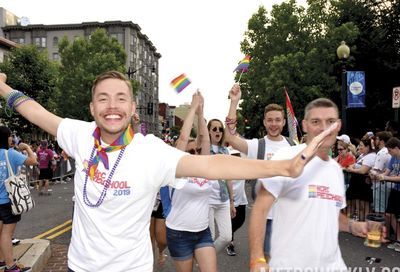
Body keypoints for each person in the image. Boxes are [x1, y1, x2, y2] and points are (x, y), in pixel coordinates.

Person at [0, 71, 337, 272]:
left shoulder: (150, 152)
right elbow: (35, 111)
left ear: (133, 108)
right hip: (81, 267)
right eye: (103, 99)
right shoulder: (78, 134)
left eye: (121, 98)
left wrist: (282, 166)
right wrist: (2, 87)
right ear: (92, 108)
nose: (112, 106)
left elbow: (214, 164)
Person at [248, 98, 373, 272]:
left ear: (338, 125)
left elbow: (331, 213)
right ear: (305, 125)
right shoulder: (286, 157)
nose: (324, 128)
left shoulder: (335, 170)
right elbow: (260, 209)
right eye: (316, 122)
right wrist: (257, 259)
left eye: (330, 122)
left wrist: (353, 226)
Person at [224, 83, 295, 261]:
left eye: (277, 120)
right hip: (266, 217)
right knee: (268, 259)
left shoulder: (294, 146)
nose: (274, 124)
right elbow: (231, 138)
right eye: (270, 120)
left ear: (284, 122)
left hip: (291, 216)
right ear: (264, 122)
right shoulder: (258, 145)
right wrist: (234, 103)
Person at [165, 91, 217, 271]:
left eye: (197, 150)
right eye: (190, 152)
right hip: (179, 232)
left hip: (203, 231)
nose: (195, 154)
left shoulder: (204, 167)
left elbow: (206, 139)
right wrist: (192, 107)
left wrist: (201, 113)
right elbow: (183, 139)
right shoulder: (178, 170)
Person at [0, 126, 37, 272]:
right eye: (10, 136)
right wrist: (27, 147)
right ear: (5, 138)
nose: (12, 139)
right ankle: (11, 267)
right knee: (7, 234)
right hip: (9, 201)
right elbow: (33, 161)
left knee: (1, 232)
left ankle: (2, 260)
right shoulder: (11, 154)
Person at [207, 118, 236, 254]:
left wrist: (232, 201)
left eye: (220, 129)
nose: (218, 131)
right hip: (207, 199)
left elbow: (229, 177)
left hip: (223, 198)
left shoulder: (225, 151)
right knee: (210, 237)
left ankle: (207, 257)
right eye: (214, 129)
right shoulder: (204, 150)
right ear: (209, 131)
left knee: (226, 236)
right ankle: (206, 264)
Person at [376, 137, 400, 251]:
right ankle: (398, 239)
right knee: (389, 214)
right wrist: (379, 176)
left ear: (396, 148)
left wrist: (384, 177)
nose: (389, 153)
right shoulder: (393, 158)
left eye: (390, 150)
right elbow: (386, 172)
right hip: (395, 189)